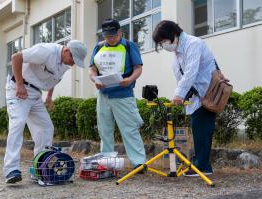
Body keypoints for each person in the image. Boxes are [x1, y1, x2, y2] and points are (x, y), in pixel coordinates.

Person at [4, 40, 87, 183]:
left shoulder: (64, 64)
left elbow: (52, 79)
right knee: (18, 124)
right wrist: (19, 85)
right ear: (66, 50)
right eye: (73, 59)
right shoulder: (46, 51)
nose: (73, 64)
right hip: (19, 89)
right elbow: (16, 57)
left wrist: (48, 96)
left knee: (46, 127)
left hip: (35, 94)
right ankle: (11, 170)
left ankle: (39, 168)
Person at [152, 20, 216, 176]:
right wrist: (181, 94)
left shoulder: (193, 44)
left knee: (202, 130)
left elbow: (190, 73)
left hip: (206, 93)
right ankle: (200, 164)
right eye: (160, 43)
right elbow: (181, 76)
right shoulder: (178, 51)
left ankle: (202, 167)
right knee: (199, 130)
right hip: (196, 96)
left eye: (164, 41)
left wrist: (179, 94)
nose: (164, 45)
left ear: (174, 34)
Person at [89, 19, 146, 169]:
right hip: (103, 95)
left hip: (123, 94)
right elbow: (92, 69)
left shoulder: (129, 46)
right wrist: (94, 79)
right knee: (104, 129)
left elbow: (138, 68)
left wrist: (130, 79)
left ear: (120, 32)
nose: (110, 39)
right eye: (107, 36)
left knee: (130, 129)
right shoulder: (98, 48)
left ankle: (138, 162)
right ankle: (107, 162)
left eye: (113, 35)